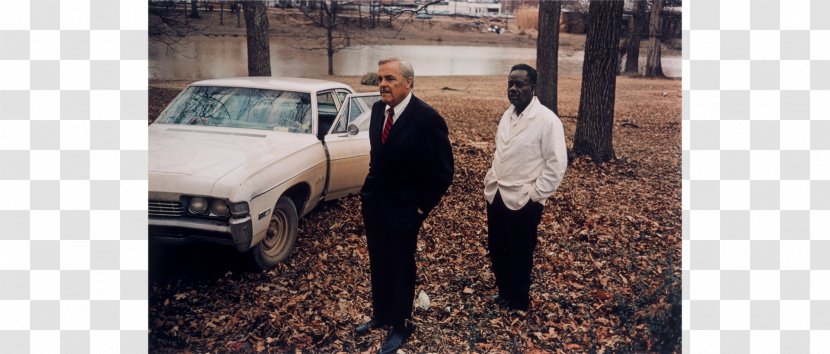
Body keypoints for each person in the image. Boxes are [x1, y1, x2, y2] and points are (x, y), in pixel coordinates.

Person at [357, 58, 454, 353]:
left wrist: (420, 209)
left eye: (390, 78)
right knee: (379, 261)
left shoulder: (427, 119)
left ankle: (401, 325)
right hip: (376, 205)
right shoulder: (377, 111)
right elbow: (378, 156)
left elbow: (443, 172)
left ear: (408, 82)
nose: (383, 84)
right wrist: (368, 192)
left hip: (405, 211)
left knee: (401, 265)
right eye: (380, 78)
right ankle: (382, 314)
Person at [483, 64, 567, 311]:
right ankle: (505, 292)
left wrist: (536, 195)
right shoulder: (507, 115)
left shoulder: (547, 121)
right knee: (498, 247)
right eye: (510, 83)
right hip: (497, 193)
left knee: (520, 251)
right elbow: (502, 150)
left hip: (524, 198)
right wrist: (492, 176)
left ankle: (519, 299)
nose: (513, 89)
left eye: (520, 84)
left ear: (533, 87)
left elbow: (556, 164)